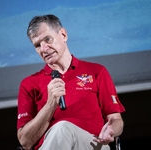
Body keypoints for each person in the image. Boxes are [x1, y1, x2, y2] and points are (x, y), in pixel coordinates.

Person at [17, 14, 125, 150]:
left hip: (93, 144)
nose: (43, 49)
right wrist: (51, 104)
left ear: (63, 35)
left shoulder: (97, 71)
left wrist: (111, 130)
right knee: (61, 130)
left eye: (47, 39)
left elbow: (116, 119)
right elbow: (25, 142)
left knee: (63, 128)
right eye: (37, 45)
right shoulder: (29, 84)